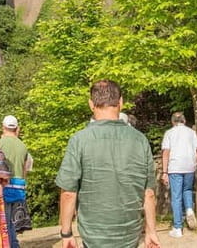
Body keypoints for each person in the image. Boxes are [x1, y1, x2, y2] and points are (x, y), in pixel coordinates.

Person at [55, 80, 161, 248]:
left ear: (91, 104)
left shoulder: (79, 140)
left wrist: (66, 232)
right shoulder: (140, 140)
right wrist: (151, 231)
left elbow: (68, 193)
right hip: (130, 234)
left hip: (94, 235)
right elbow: (148, 193)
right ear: (120, 102)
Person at [161, 111, 197, 238]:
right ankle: (189, 208)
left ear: (173, 121)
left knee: (176, 196)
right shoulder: (191, 132)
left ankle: (178, 228)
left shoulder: (169, 133)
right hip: (189, 167)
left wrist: (164, 172)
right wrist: (194, 163)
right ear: (184, 121)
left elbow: (166, 153)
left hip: (175, 167)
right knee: (188, 190)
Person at [0, 115, 32, 248]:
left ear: (3, 127)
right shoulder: (23, 146)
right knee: (13, 221)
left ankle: (11, 245)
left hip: (3, 185)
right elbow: (25, 169)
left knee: (5, 220)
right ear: (17, 128)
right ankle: (14, 243)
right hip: (19, 186)